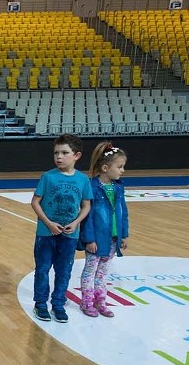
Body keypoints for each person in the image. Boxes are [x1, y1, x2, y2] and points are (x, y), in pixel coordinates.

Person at [30, 134, 93, 323]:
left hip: (70, 234)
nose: (59, 156)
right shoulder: (48, 177)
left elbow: (86, 205)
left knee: (64, 270)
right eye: (56, 153)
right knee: (42, 269)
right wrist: (49, 223)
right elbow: (35, 202)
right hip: (46, 233)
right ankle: (40, 304)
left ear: (77, 155)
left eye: (65, 153)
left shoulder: (83, 180)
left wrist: (76, 223)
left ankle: (58, 303)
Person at [78, 142, 129, 318]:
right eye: (120, 167)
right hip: (96, 240)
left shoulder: (118, 187)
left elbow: (123, 212)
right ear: (106, 167)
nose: (122, 170)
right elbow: (88, 216)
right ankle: (86, 302)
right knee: (90, 271)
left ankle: (101, 302)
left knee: (103, 273)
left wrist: (124, 234)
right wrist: (89, 239)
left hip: (113, 239)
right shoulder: (92, 187)